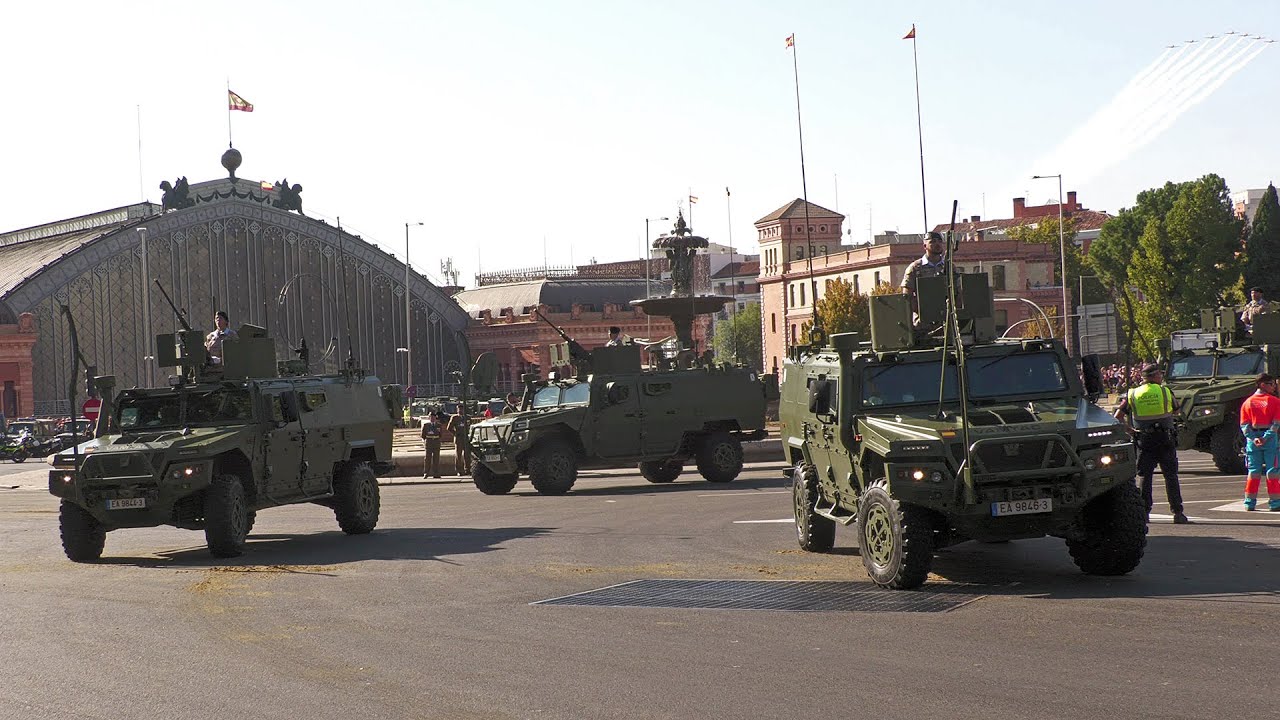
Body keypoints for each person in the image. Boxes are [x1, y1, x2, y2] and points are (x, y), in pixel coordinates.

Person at [1114, 363, 1189, 524]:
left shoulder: (1133, 394)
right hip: (1165, 439)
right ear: (1155, 376)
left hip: (1144, 440)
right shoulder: (1165, 391)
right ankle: (1178, 512)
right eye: (1160, 375)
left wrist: (1130, 430)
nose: (1161, 377)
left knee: (1144, 477)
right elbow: (1177, 411)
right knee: (1171, 476)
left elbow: (1117, 416)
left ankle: (1144, 512)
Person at [1239, 373, 1280, 511]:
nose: (1274, 386)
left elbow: (1244, 425)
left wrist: (1253, 438)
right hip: (1270, 441)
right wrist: (1266, 437)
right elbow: (1276, 424)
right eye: (1271, 383)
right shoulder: (1274, 401)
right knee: (1272, 471)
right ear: (1263, 384)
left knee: (1253, 472)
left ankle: (1249, 503)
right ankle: (1275, 503)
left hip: (1252, 442)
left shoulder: (1248, 402)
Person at [899, 231, 949, 323]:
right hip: (922, 321)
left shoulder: (949, 267)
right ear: (925, 246)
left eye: (939, 241)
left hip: (946, 319)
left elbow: (959, 292)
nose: (937, 244)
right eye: (933, 241)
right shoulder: (915, 268)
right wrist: (921, 310)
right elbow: (906, 296)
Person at [447, 408, 471, 476]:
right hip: (459, 438)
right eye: (459, 409)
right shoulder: (454, 418)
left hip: (466, 438)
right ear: (457, 410)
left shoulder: (467, 417)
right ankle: (459, 470)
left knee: (467, 455)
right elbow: (449, 428)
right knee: (458, 455)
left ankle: (467, 469)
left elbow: (470, 426)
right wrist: (456, 434)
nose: (460, 411)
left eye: (462, 409)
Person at [420, 412, 442, 478]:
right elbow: (423, 435)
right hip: (429, 443)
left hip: (436, 443)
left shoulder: (438, 425)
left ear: (435, 418)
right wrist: (426, 441)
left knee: (436, 458)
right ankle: (426, 473)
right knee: (427, 459)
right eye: (431, 417)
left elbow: (440, 434)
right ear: (429, 418)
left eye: (433, 417)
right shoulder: (426, 425)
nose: (432, 418)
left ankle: (436, 473)